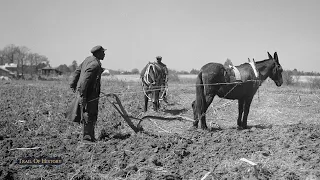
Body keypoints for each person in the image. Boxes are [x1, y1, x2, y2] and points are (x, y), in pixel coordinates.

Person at [69, 45, 106, 142]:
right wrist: (83, 96)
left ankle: (90, 136)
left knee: (89, 114)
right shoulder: (95, 64)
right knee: (90, 114)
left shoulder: (88, 59)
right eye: (103, 52)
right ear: (98, 53)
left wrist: (73, 84)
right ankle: (88, 139)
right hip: (89, 94)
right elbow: (85, 80)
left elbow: (77, 71)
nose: (104, 54)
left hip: (86, 92)